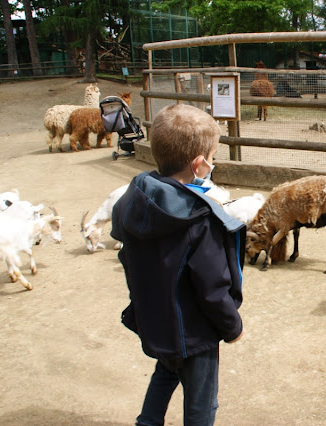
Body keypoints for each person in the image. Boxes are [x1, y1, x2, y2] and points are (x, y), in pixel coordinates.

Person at [111, 103, 245, 426]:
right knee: (201, 406)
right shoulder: (200, 219)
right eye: (212, 157)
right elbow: (212, 288)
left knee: (165, 372)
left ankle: (148, 422)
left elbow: (127, 259)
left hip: (158, 322)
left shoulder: (133, 202)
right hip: (195, 335)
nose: (212, 164)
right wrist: (233, 326)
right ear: (199, 165)